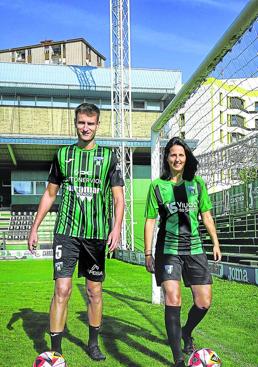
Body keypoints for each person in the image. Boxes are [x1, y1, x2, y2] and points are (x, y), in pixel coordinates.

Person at [28, 103, 124, 361]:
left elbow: (118, 198)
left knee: (94, 291)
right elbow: (50, 194)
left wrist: (116, 227)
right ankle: (55, 352)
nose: (85, 127)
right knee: (62, 289)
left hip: (96, 234)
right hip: (66, 232)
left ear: (97, 125)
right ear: (75, 123)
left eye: (90, 123)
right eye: (81, 122)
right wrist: (35, 227)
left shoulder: (109, 157)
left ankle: (93, 344)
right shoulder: (62, 155)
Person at [144, 137, 221, 367]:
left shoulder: (197, 184)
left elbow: (206, 216)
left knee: (204, 302)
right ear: (166, 158)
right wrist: (148, 253)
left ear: (186, 158)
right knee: (173, 298)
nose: (177, 159)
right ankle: (178, 359)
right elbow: (150, 221)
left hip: (195, 248)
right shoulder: (157, 186)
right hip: (168, 250)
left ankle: (186, 332)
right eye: (172, 155)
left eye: (181, 155)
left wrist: (215, 242)